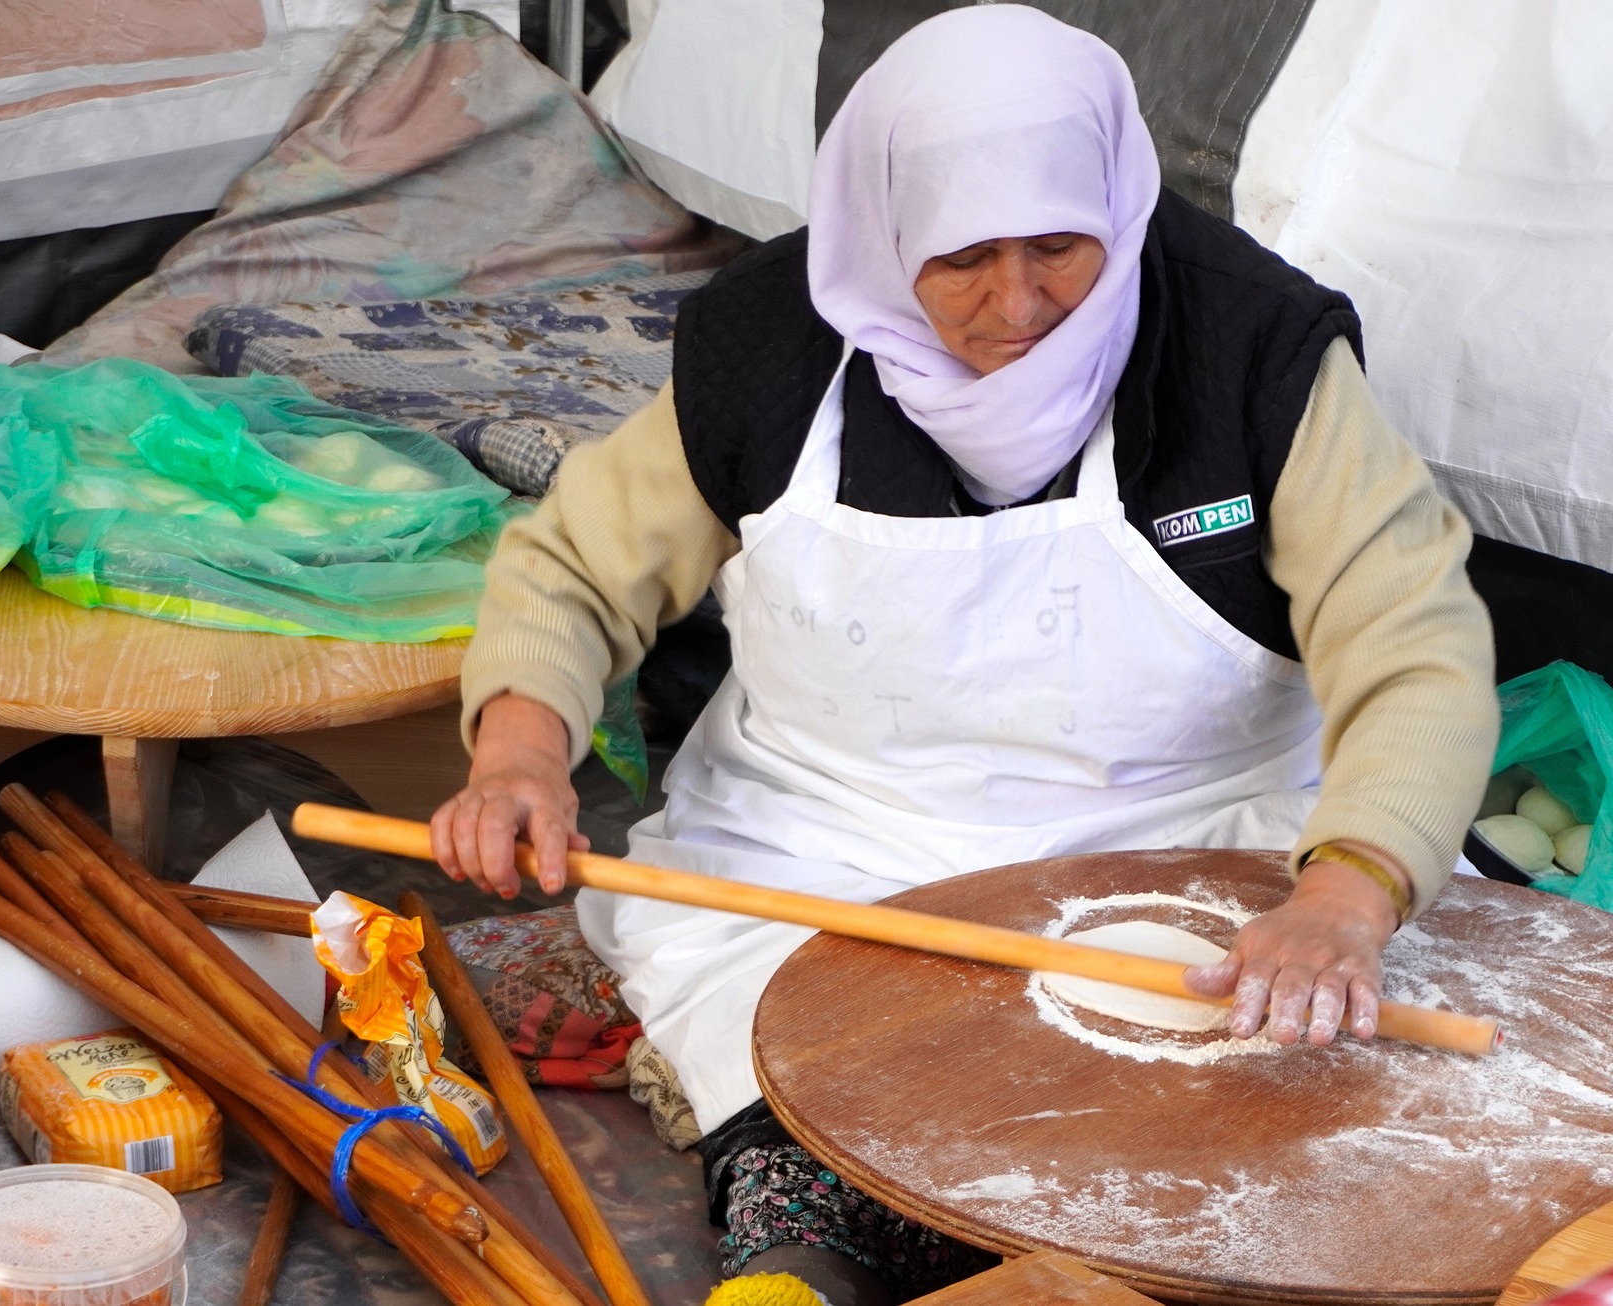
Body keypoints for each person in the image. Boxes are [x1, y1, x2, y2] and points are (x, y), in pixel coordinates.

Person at [433, 6, 1498, 1301]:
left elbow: (1417, 642)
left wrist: (1346, 893)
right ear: (884, 233)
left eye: (1061, 246)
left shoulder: (1250, 350)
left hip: (1194, 862)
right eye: (961, 260)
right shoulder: (775, 345)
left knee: (1250, 1149)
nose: (1021, 305)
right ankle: (806, 1256)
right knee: (811, 1110)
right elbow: (576, 566)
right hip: (832, 855)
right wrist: (520, 746)